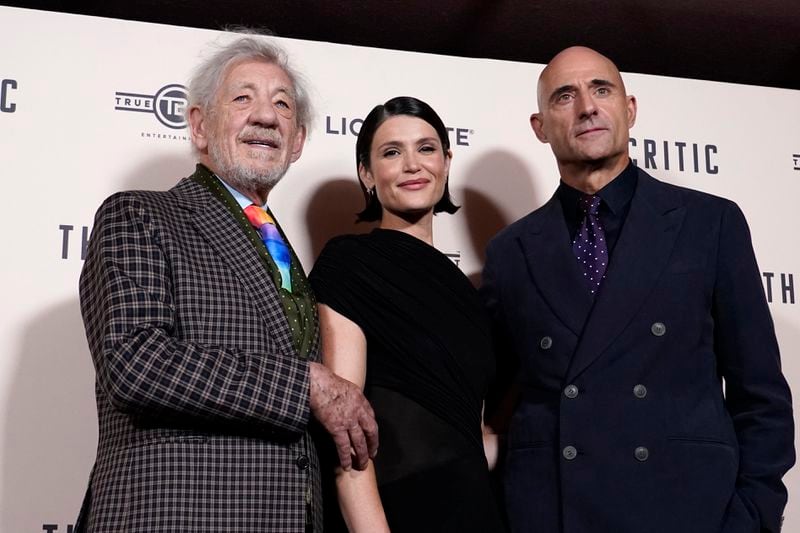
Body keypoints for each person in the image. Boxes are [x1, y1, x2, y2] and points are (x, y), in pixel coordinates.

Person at [481, 46, 794, 532]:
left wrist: (751, 516)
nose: (587, 106)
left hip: (689, 511)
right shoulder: (510, 251)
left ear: (629, 109)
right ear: (539, 126)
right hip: (558, 513)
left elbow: (762, 396)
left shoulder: (710, 224)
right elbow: (497, 403)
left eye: (601, 90)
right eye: (564, 96)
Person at [76, 36, 378, 533]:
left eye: (282, 104)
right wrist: (305, 384)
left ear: (298, 140)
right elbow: (136, 362)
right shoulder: (139, 214)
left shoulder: (284, 254)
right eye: (243, 99)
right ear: (198, 125)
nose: (265, 116)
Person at [309, 96, 506, 532]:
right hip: (397, 510)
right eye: (392, 152)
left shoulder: (471, 295)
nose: (413, 165)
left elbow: (470, 429)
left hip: (475, 510)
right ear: (367, 173)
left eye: (427, 148)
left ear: (447, 161)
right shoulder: (349, 264)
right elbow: (345, 440)